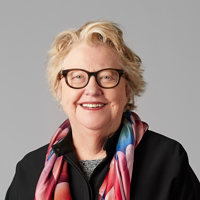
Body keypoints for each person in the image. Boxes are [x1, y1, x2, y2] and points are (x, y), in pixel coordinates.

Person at [5, 20, 200, 200]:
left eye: (107, 76)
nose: (92, 89)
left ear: (127, 88)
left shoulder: (167, 160)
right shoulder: (30, 170)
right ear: (59, 88)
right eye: (77, 77)